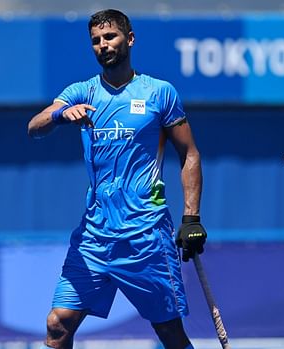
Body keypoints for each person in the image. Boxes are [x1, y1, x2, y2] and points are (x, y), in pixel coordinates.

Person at [28, 9, 207, 349]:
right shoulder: (81, 92)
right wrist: (60, 115)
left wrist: (191, 218)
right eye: (95, 41)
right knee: (57, 326)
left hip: (146, 237)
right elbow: (33, 128)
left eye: (109, 37)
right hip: (94, 237)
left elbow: (190, 155)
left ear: (130, 38)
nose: (103, 45)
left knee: (170, 334)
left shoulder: (159, 92)